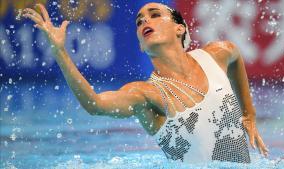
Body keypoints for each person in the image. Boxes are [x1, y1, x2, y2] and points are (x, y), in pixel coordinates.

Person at [22, 2, 269, 163]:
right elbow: (94, 104)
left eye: (154, 15)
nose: (144, 23)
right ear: (140, 44)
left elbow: (235, 54)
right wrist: (60, 52)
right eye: (139, 22)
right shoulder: (146, 94)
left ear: (180, 29)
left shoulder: (216, 54)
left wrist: (248, 113)